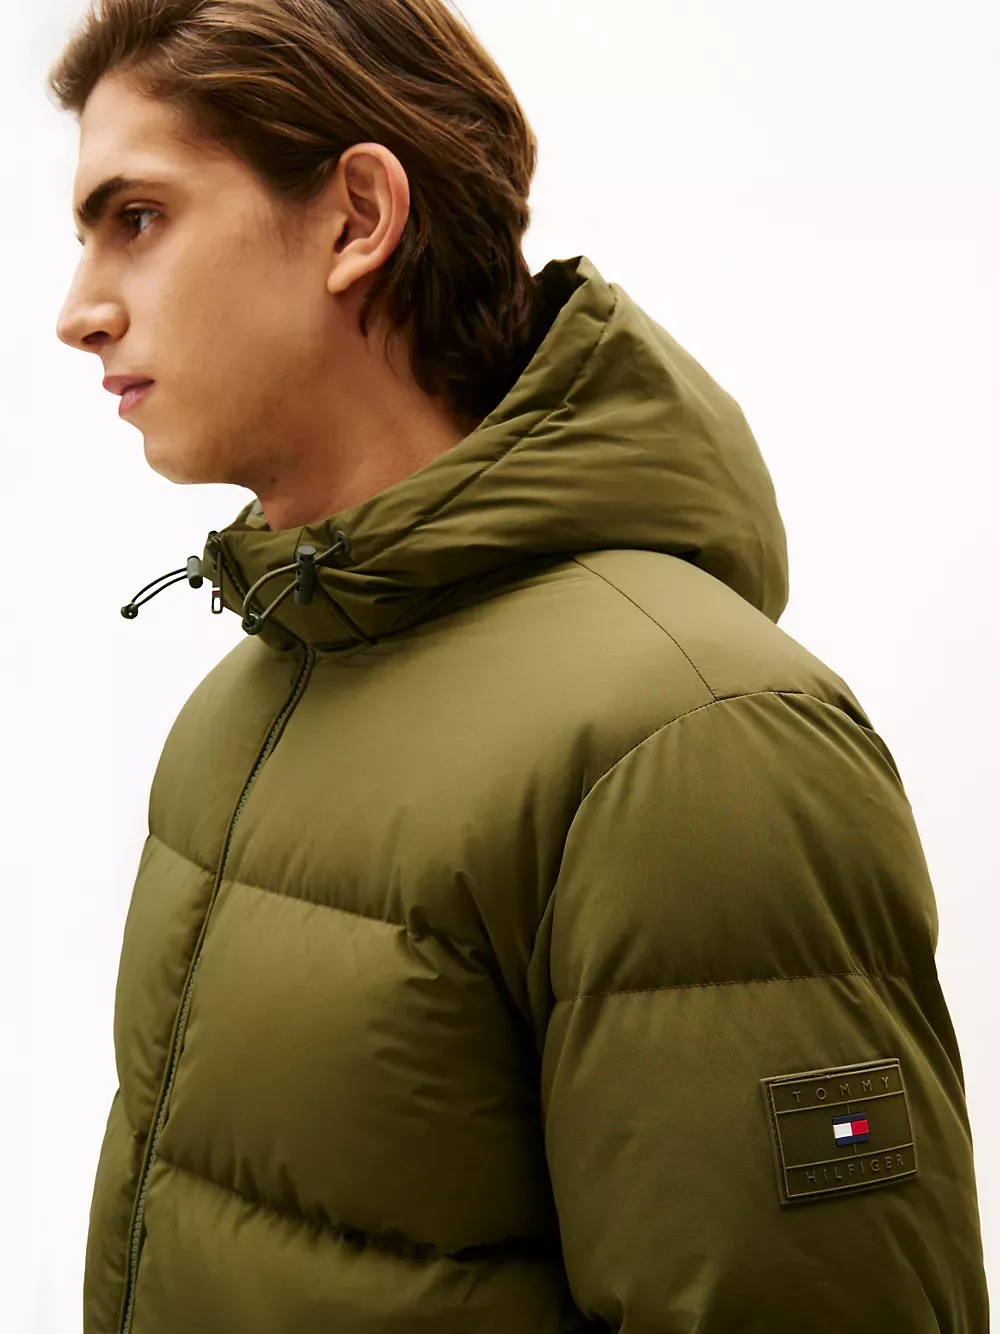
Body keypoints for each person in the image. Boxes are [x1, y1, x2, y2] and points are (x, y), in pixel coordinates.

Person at [50, 2, 988, 1331]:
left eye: (137, 218)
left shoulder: (696, 737)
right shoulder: (246, 705)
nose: (79, 313)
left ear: (358, 219)